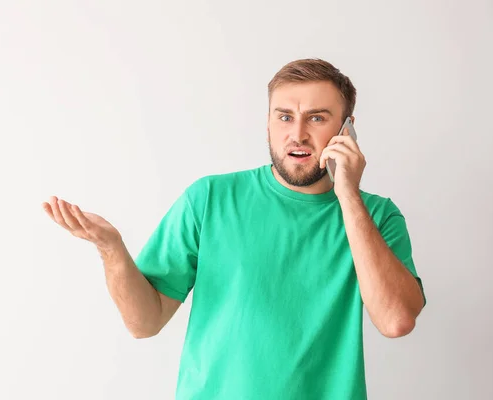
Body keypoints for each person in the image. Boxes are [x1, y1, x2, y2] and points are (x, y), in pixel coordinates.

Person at [42, 58, 426, 399]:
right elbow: (144, 322)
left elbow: (396, 320)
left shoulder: (376, 217)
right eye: (284, 116)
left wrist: (348, 195)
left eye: (317, 117)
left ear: (347, 130)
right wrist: (111, 249)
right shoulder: (209, 199)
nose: (298, 134)